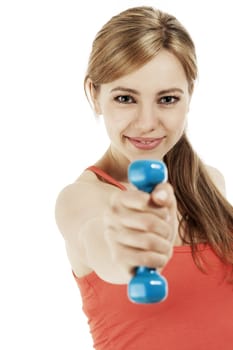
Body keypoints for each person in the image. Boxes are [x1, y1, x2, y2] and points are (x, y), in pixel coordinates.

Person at [55, 6, 233, 350]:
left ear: (189, 95)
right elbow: (101, 242)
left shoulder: (212, 184)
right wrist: (127, 245)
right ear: (95, 94)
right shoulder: (79, 200)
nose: (147, 123)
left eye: (167, 99)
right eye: (125, 98)